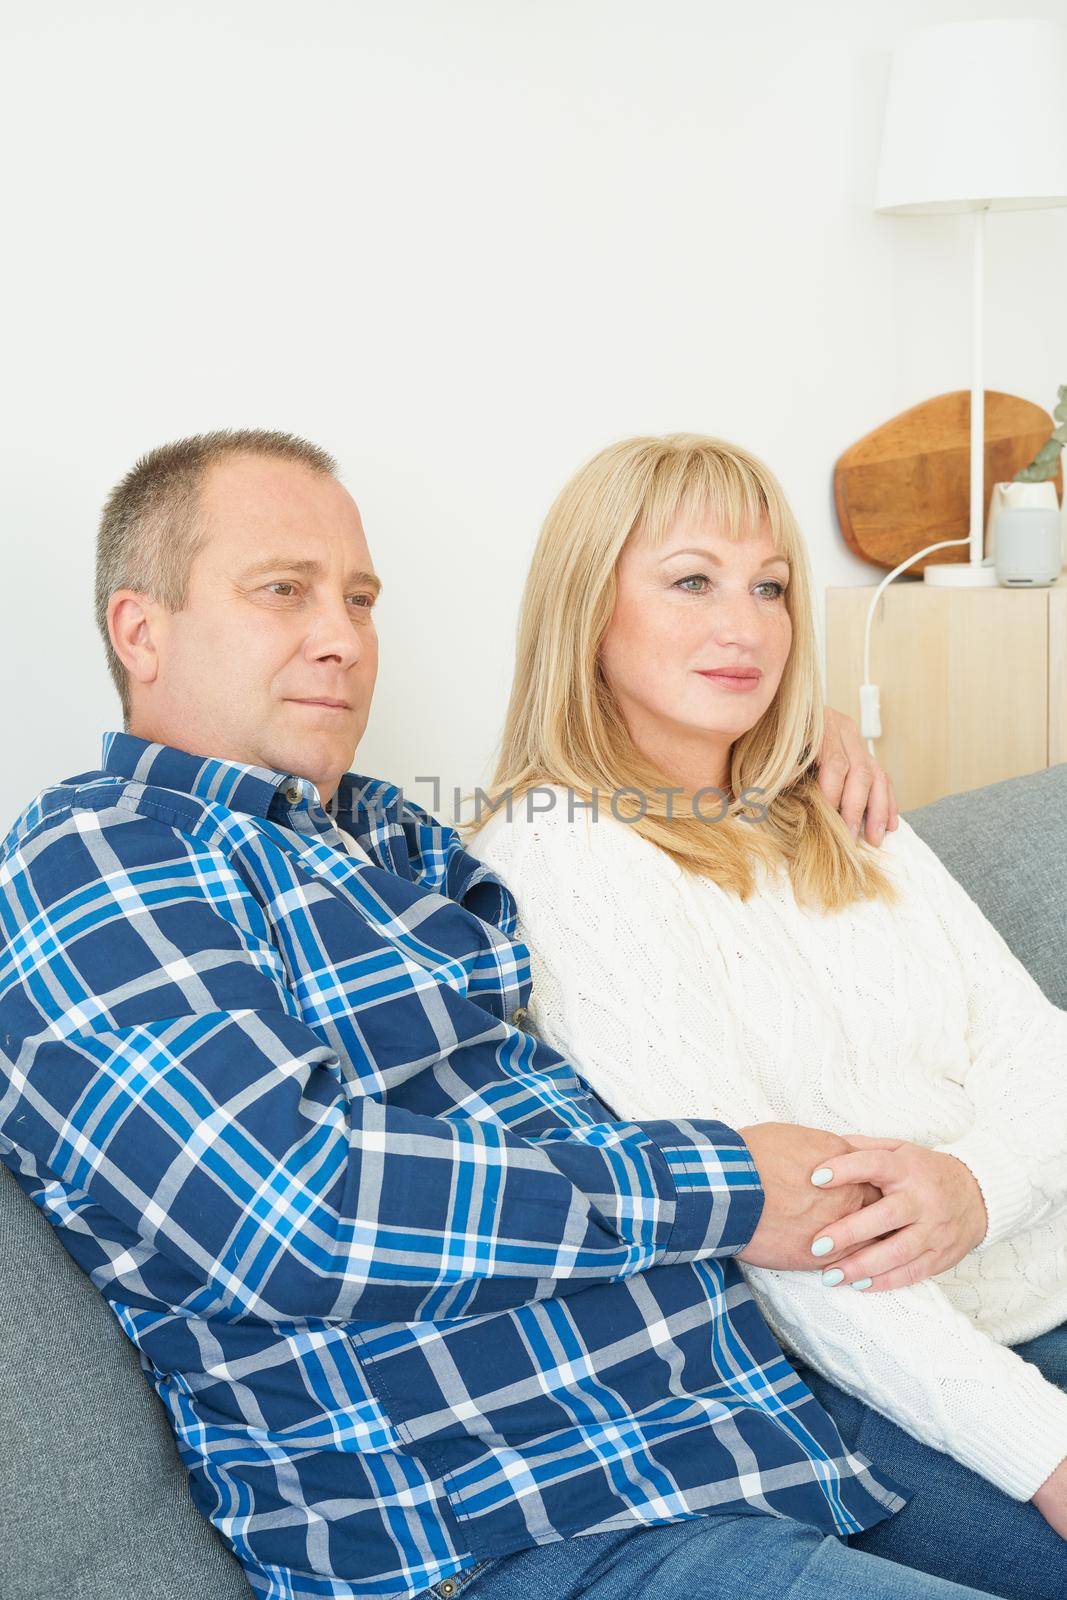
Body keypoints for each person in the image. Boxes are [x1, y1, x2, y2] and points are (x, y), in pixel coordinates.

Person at [0, 428, 999, 1600]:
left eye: (360, 599)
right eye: (283, 591)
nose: (341, 637)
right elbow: (294, 1216)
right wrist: (723, 1184)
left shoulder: (397, 839)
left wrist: (772, 745)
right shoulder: (100, 858)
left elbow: (608, 847)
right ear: (141, 628)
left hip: (761, 1440)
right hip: (531, 1535)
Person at [469, 431, 1067, 1600]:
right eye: (690, 580)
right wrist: (1045, 1453)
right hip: (880, 1391)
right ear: (587, 608)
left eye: (770, 586)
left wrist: (979, 1185)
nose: (742, 625)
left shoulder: (829, 804)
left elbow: (1038, 1050)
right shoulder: (559, 863)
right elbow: (796, 1246)